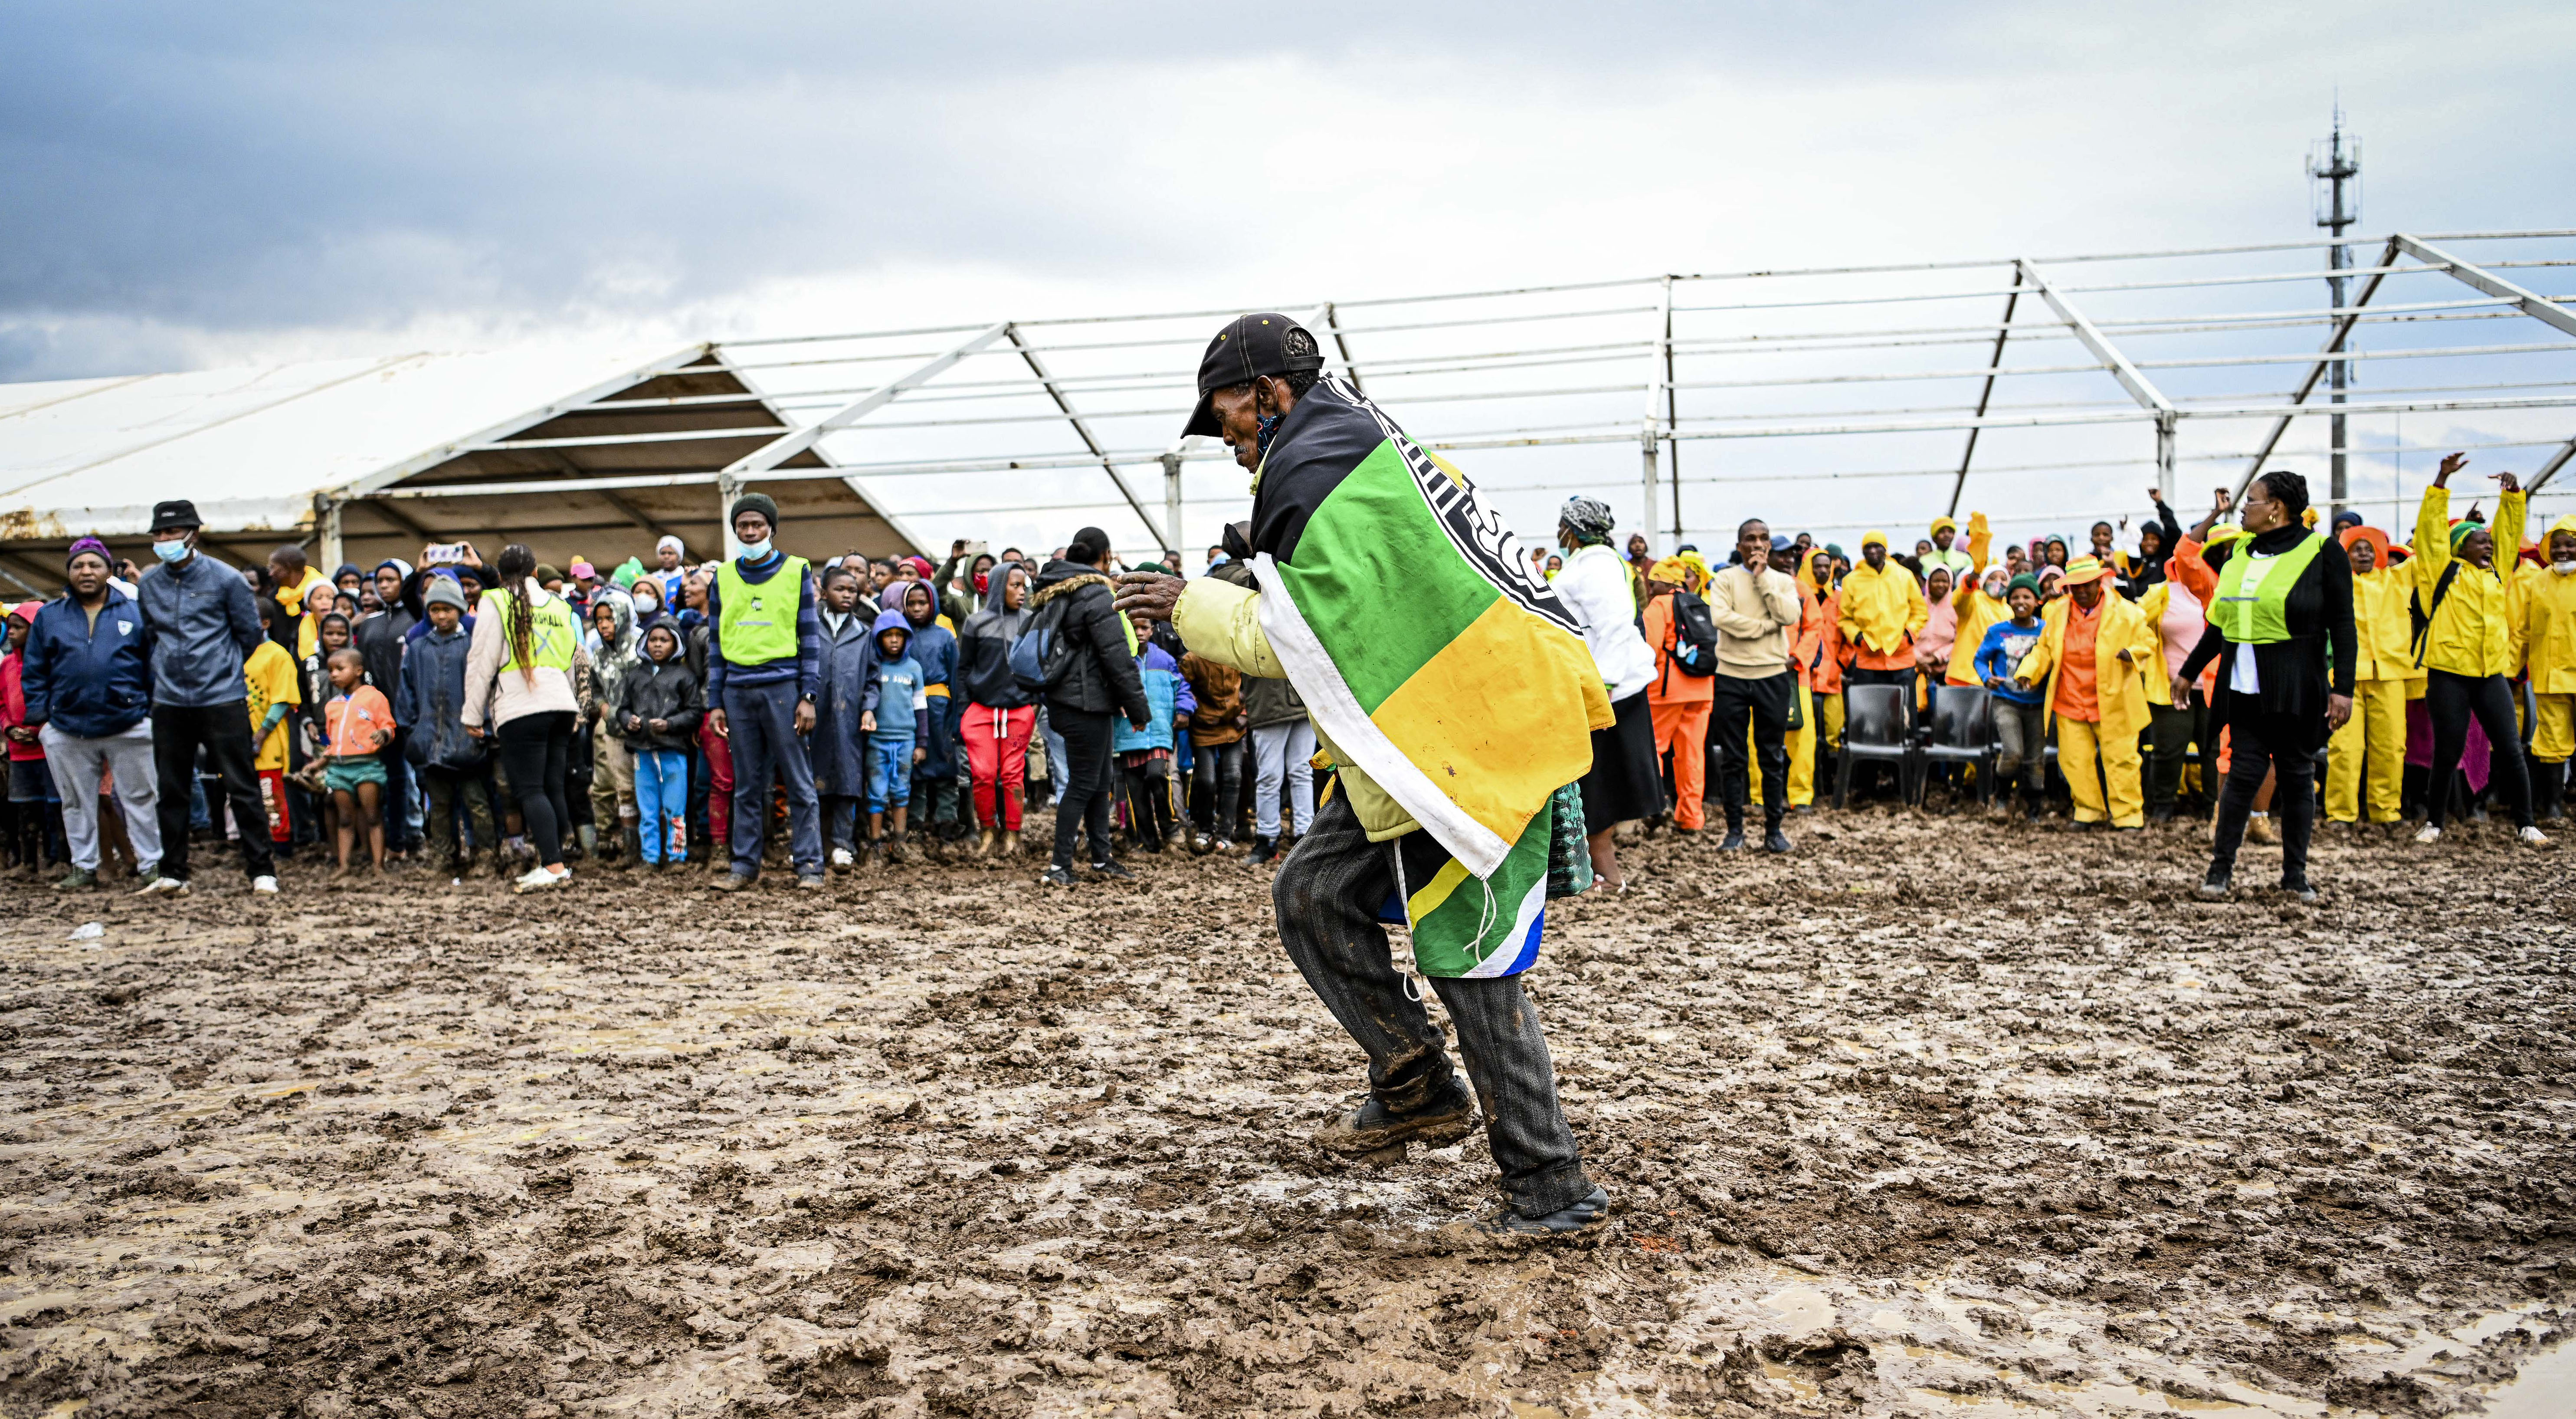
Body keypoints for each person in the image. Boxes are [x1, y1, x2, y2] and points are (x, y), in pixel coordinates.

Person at [1114, 312, 1609, 1232]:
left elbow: (1303, 639)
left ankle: (1552, 1188)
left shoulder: (1310, 469)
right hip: (1422, 735)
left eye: (1223, 411)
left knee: (1469, 963)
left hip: (1459, 741)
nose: (1222, 434)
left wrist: (1188, 605)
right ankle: (1415, 1082)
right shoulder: (1351, 444)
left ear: (1266, 393)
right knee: (1311, 893)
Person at [2176, 469, 2358, 900]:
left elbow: (2343, 624)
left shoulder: (2322, 551)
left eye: (2251, 501)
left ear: (2276, 508)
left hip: (2297, 685)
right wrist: (2189, 670)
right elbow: (2222, 622)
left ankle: (2295, 876)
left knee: (2296, 775)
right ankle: (2219, 872)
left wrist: (2343, 688)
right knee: (2242, 774)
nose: (2243, 509)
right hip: (2243, 686)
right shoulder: (2240, 551)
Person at [2405, 453, 2542, 844]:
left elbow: (2510, 534)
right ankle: (2434, 823)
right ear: (2461, 548)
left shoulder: (2495, 571)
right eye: (2481, 542)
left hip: (2490, 674)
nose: (2490, 547)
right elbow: (2431, 533)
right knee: (2448, 752)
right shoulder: (2441, 571)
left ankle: (2526, 824)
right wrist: (2441, 481)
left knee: (2511, 749)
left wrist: (2512, 496)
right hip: (2449, 674)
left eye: (2490, 543)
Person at [21, 538, 159, 889]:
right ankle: (84, 868)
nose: (86, 572)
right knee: (75, 802)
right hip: (67, 726)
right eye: (78, 566)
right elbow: (34, 670)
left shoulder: (135, 611)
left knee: (140, 798)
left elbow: (153, 664)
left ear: (108, 571)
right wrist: (43, 720)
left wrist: (149, 713)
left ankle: (152, 866)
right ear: (68, 572)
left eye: (94, 565)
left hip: (129, 722)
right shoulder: (50, 616)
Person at [705, 493, 827, 890]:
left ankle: (810, 867)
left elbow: (810, 637)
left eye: (757, 524)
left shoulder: (796, 570)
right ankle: (743, 867)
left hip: (783, 688)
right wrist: (716, 702)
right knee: (747, 785)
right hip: (738, 690)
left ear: (772, 529)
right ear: (735, 530)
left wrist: (808, 695)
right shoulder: (723, 577)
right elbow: (715, 644)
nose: (750, 531)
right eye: (743, 525)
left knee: (799, 781)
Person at [463, 544, 587, 893]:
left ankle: (553, 865)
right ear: (535, 572)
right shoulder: (559, 606)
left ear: (501, 576)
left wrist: (472, 714)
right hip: (561, 703)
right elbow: (570, 658)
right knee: (552, 785)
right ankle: (557, 860)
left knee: (530, 789)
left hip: (521, 706)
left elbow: (482, 661)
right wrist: (572, 705)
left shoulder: (496, 601)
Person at [1032, 528, 1150, 886]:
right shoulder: (1096, 593)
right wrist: (1139, 709)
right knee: (1084, 783)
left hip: (1068, 700)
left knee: (1099, 782)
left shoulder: (1060, 589)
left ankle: (1102, 858)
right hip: (1086, 702)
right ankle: (1059, 866)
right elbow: (1117, 656)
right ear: (1107, 555)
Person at [1554, 496, 1661, 891]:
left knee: (1599, 784)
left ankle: (1609, 875)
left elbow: (1614, 627)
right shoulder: (1589, 563)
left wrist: (1605, 689)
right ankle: (1598, 872)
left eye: (1562, 525)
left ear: (1573, 529)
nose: (1559, 533)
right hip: (1596, 688)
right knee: (1597, 782)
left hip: (1608, 693)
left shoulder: (1597, 566)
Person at [2012, 555, 2157, 830]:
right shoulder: (2057, 612)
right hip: (2071, 699)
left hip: (2115, 699)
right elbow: (2044, 649)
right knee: (2075, 760)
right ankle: (2088, 810)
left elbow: (2148, 640)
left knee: (2121, 760)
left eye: (2087, 585)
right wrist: (2029, 672)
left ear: (2099, 582)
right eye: (2075, 586)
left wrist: (2133, 653)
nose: (2081, 591)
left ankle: (2128, 815)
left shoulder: (2127, 612)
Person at [1704, 520, 1803, 851]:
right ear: (1740, 545)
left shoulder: (1782, 581)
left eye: (1763, 539)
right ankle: (1734, 831)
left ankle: (1774, 831)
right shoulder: (1725, 579)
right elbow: (1721, 619)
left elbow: (1789, 617)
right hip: (1731, 676)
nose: (1758, 544)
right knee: (1733, 758)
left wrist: (1763, 580)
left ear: (1770, 545)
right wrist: (1764, 627)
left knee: (1771, 757)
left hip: (1772, 676)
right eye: (1750, 539)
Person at [399, 578, 500, 879]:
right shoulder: (418, 649)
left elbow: (488, 688)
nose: (441, 616)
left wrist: (485, 728)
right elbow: (406, 693)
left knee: (477, 802)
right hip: (430, 741)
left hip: (469, 739)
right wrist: (413, 730)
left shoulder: (472, 646)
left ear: (460, 610)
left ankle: (486, 854)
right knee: (440, 805)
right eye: (435, 610)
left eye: (447, 609)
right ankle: (444, 856)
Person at [2325, 522, 2412, 831]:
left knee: (2391, 746)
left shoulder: (2397, 579)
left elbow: (2430, 553)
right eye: (2355, 549)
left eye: (2369, 549)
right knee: (2344, 748)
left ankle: (2386, 810)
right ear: (2344, 556)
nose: (2363, 554)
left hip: (2389, 675)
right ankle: (2340, 813)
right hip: (2345, 681)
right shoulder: (2333, 584)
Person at [1835, 530, 1928, 798]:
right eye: (1868, 548)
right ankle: (1866, 786)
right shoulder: (1852, 580)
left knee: (1905, 723)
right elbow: (1845, 618)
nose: (1873, 552)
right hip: (1868, 661)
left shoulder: (1904, 576)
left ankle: (1904, 786)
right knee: (1868, 724)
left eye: (1878, 547)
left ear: (1886, 549)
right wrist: (1858, 637)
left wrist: (1908, 635)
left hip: (1902, 661)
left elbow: (1920, 611)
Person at [955, 561, 1035, 857]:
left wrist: (1033, 703)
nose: (1022, 591)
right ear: (1001, 586)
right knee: (983, 775)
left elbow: (1039, 667)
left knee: (1014, 775)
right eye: (1015, 585)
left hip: (1019, 712)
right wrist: (965, 711)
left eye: (1024, 585)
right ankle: (988, 831)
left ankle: (1013, 833)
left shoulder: (1031, 621)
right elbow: (964, 669)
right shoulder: (976, 623)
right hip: (981, 711)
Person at [1640, 555, 1716, 835]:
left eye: (1653, 583)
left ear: (1665, 583)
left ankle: (1654, 808)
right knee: (1692, 755)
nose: (1650, 589)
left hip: (1667, 692)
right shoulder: (1699, 603)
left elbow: (1650, 649)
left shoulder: (1658, 606)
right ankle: (1691, 818)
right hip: (1702, 689)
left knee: (1654, 750)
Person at [616, 621, 702, 870]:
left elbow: (695, 711)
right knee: (647, 809)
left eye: (664, 641)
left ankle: (677, 856)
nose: (657, 645)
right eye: (653, 640)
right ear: (645, 644)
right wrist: (628, 721)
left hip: (673, 750)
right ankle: (649, 857)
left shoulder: (684, 676)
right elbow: (623, 708)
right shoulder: (635, 675)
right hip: (642, 751)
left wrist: (670, 724)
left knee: (676, 808)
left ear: (676, 644)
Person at [1112, 610, 1195, 854]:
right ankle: (1146, 841)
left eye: (1144, 628)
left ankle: (1171, 828)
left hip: (1159, 732)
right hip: (1129, 735)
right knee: (1135, 792)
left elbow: (1183, 687)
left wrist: (1184, 709)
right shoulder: (1120, 662)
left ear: (1152, 630)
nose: (1140, 632)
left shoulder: (1165, 660)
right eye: (1135, 627)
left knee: (1157, 775)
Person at [354, 559, 418, 858]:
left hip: (415, 712)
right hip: (382, 716)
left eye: (391, 579)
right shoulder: (369, 624)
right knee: (395, 780)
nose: (384, 586)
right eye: (380, 580)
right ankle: (398, 842)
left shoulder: (417, 618)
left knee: (423, 778)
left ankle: (422, 834)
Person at [812, 564, 874, 867]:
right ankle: (814, 844)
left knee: (848, 782)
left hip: (850, 719)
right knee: (814, 779)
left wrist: (869, 708)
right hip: (814, 716)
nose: (848, 595)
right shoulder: (808, 628)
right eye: (840, 589)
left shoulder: (864, 633)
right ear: (824, 593)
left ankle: (841, 844)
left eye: (853, 590)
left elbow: (873, 678)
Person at [900, 579, 967, 856]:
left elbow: (957, 678)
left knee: (945, 767)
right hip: (908, 708)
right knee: (915, 768)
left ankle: (947, 823)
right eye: (912, 603)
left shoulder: (945, 636)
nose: (917, 608)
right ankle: (915, 824)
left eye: (923, 603)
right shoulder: (901, 635)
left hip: (940, 710)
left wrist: (957, 719)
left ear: (933, 604)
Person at [858, 606, 930, 863]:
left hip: (906, 740)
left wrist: (921, 743)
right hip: (877, 740)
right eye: (888, 635)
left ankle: (900, 841)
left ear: (906, 638)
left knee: (902, 790)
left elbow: (921, 708)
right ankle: (875, 844)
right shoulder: (873, 667)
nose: (894, 640)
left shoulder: (913, 668)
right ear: (879, 638)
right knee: (877, 791)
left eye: (899, 635)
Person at [1975, 575, 2050, 819]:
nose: (2021, 602)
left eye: (2027, 597)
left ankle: (2033, 807)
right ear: (2008, 601)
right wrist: (1987, 677)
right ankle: (2001, 798)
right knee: (2013, 752)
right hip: (2006, 701)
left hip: (2038, 704)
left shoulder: (2046, 630)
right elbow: (1980, 659)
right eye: (2015, 597)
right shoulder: (1997, 631)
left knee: (2036, 758)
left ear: (2037, 601)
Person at [319, 647, 395, 880]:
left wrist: (384, 735)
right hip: (339, 768)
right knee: (345, 818)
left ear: (359, 670)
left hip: (367, 765)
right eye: (331, 670)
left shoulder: (374, 697)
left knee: (373, 816)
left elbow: (389, 726)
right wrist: (319, 764)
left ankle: (378, 865)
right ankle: (344, 865)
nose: (334, 674)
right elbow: (332, 741)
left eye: (340, 669)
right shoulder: (332, 705)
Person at [1, 604, 65, 877]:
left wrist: (40, 730)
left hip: (50, 748)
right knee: (25, 808)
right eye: (10, 627)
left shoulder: (54, 663)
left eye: (18, 627)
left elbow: (62, 699)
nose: (11, 633)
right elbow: (2, 704)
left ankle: (60, 860)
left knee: (57, 807)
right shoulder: (6, 665)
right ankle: (28, 864)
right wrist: (9, 729)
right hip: (19, 750)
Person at [2522, 513, 2576, 823]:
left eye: (2570, 545)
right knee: (2552, 742)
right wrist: (2513, 667)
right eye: (2556, 546)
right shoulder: (2538, 582)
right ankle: (2554, 805)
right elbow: (2524, 629)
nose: (2562, 551)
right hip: (2550, 675)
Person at [583, 590, 642, 864]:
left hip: (646, 732)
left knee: (650, 791)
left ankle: (657, 849)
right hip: (615, 731)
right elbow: (595, 689)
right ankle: (631, 850)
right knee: (624, 789)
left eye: (610, 618)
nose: (604, 625)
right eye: (600, 620)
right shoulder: (598, 655)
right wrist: (604, 708)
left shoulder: (642, 647)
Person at [1179, 624, 1246, 855]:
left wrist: (1245, 713)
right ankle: (1205, 829)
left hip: (1234, 725)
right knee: (1206, 780)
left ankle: (1226, 834)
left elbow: (1252, 684)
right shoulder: (1192, 659)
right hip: (1205, 727)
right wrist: (1198, 712)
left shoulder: (1237, 653)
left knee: (1234, 777)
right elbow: (1184, 688)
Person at [244, 599, 301, 858]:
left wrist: (260, 736)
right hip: (239, 738)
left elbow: (283, 700)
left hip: (268, 742)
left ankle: (281, 845)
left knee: (272, 795)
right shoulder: (234, 652)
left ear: (265, 623)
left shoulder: (277, 655)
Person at [1922, 515, 1976, 583]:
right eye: (1942, 532)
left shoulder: (1966, 559)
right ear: (1934, 537)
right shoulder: (1923, 562)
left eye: (1950, 532)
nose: (1947, 535)